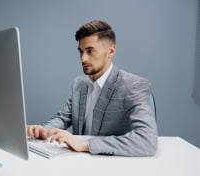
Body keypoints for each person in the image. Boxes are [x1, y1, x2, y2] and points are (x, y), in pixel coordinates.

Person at [28, 20, 158, 156]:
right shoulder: (79, 83)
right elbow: (64, 117)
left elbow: (146, 141)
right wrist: (43, 131)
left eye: (90, 51)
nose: (83, 59)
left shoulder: (134, 85)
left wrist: (85, 145)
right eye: (81, 51)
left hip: (114, 165)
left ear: (111, 51)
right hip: (79, 162)